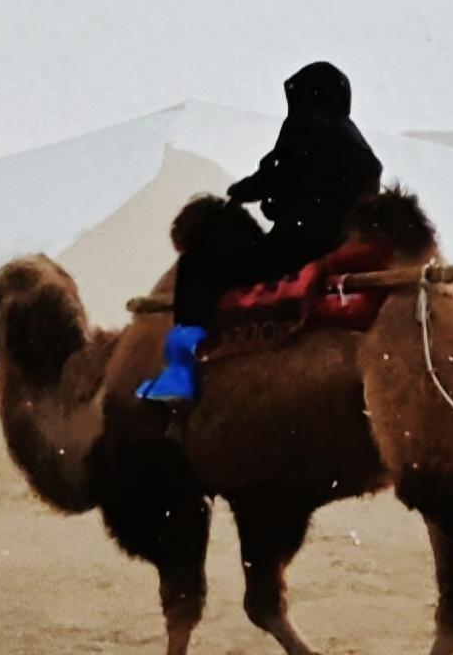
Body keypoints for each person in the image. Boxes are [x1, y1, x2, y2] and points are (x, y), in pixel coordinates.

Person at [140, 60, 383, 404]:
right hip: (337, 242)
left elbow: (276, 172)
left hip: (297, 244)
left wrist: (242, 191)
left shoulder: (306, 125)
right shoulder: (356, 143)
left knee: (198, 268)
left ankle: (181, 370)